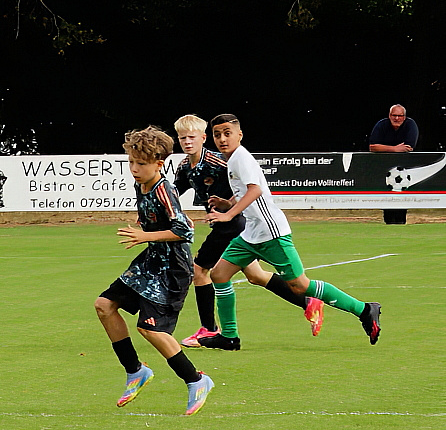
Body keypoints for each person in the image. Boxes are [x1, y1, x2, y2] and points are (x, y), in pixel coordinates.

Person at [205, 114, 381, 349]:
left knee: (300, 285)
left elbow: (255, 190)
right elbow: (246, 191)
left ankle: (365, 309)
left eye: (227, 133)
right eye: (217, 135)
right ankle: (229, 337)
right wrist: (228, 204)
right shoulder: (234, 159)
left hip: (271, 233)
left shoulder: (240, 158)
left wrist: (228, 215)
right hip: (251, 234)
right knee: (219, 274)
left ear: (240, 135)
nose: (222, 139)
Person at [172, 115, 324, 349]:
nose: (187, 142)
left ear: (203, 138)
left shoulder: (219, 162)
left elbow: (247, 185)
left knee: (199, 270)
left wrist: (229, 209)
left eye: (192, 137)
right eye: (183, 138)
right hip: (232, 226)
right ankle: (308, 302)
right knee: (256, 276)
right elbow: (172, 193)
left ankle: (209, 329)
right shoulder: (184, 167)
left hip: (234, 224)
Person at [93, 126, 215, 416]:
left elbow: (184, 230)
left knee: (150, 329)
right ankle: (135, 371)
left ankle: (196, 380)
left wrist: (145, 235)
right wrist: (145, 224)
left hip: (172, 269)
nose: (134, 169)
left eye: (141, 164)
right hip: (151, 261)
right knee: (104, 306)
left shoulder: (164, 189)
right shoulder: (142, 184)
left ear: (159, 164)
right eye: (131, 162)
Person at [368, 104, 418, 224]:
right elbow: (372, 147)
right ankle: (388, 223)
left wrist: (383, 147)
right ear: (389, 116)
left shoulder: (410, 124)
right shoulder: (382, 125)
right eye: (394, 115)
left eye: (399, 116)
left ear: (404, 117)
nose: (396, 118)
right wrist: (395, 149)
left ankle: (401, 223)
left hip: (404, 169)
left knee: (401, 201)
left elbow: (409, 147)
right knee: (387, 200)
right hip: (384, 168)